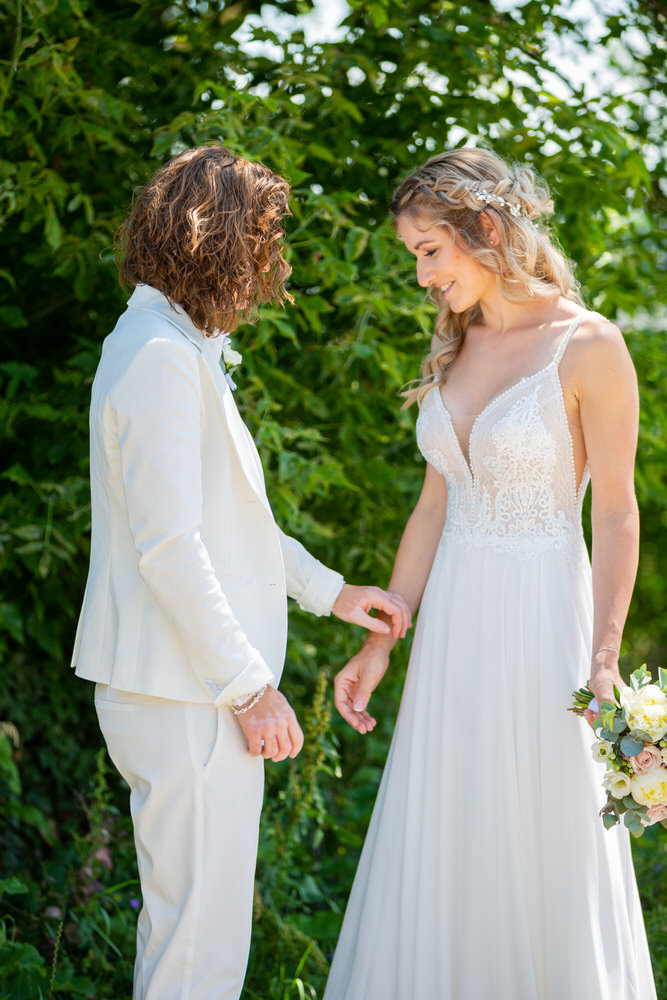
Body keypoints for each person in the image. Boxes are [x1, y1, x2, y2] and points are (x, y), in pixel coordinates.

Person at [70, 145, 410, 1000]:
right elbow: (170, 548)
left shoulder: (170, 343)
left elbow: (229, 530)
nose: (272, 263)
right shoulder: (156, 355)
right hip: (186, 693)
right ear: (219, 240)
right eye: (263, 239)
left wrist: (332, 592)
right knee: (199, 946)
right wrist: (250, 688)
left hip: (185, 688)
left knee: (196, 933)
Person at [324, 148, 656, 999]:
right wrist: (382, 643)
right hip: (452, 648)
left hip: (544, 632)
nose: (423, 276)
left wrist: (603, 656)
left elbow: (615, 512)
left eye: (429, 251)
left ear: (486, 229)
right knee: (451, 839)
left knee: (539, 848)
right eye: (413, 259)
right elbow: (434, 510)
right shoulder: (458, 349)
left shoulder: (587, 346)